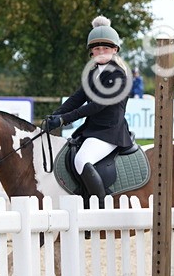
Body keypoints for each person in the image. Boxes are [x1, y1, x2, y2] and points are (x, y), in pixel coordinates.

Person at [41, 16, 134, 204]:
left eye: (106, 48)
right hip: (93, 130)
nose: (101, 52)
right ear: (91, 52)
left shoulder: (118, 76)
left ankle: (101, 206)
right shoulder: (93, 73)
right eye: (97, 49)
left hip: (110, 132)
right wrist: (55, 114)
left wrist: (64, 119)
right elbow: (78, 98)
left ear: (115, 50)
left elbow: (97, 105)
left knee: (82, 160)